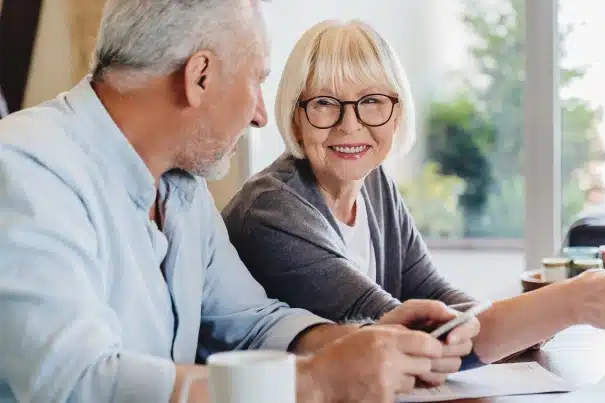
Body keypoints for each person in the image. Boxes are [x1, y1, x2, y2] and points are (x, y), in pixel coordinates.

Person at [0, 2, 479, 402]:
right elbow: (74, 381)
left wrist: (357, 343)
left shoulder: (182, 191)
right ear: (200, 76)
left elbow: (250, 322)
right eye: (256, 81)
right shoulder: (26, 168)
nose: (258, 114)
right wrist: (312, 382)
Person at [220, 18, 605, 367]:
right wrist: (568, 302)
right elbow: (412, 339)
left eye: (371, 102)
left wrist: (523, 326)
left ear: (397, 113)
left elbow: (438, 297)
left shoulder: (375, 185)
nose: (350, 124)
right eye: (324, 103)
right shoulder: (273, 212)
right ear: (295, 114)